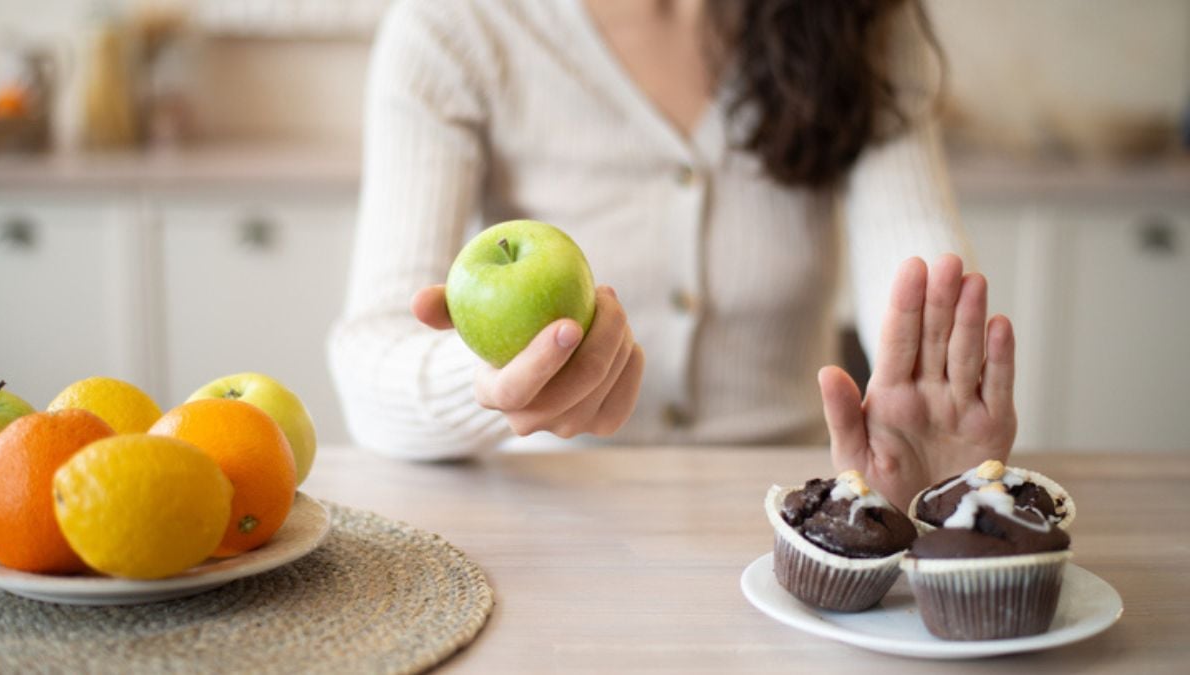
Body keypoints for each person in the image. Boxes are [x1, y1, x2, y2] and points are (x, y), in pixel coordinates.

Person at [327, 0, 1016, 509]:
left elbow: (926, 294)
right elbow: (371, 370)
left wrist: (935, 427)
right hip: (552, 522)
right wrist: (490, 378)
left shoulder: (860, 20)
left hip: (794, 521)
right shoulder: (456, 26)